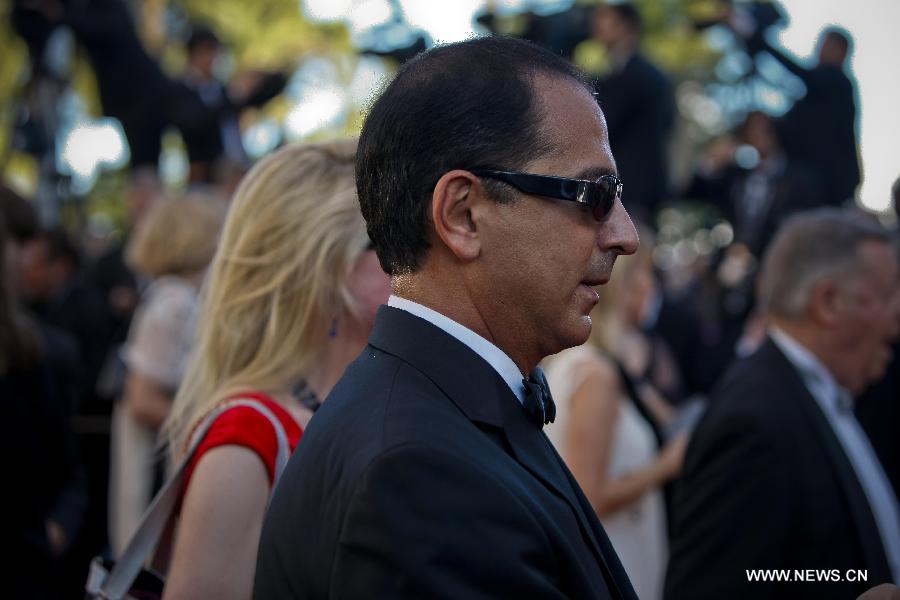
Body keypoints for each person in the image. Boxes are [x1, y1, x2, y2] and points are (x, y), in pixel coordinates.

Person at [255, 35, 640, 598]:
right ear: (463, 215)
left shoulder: (432, 418)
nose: (625, 235)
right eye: (593, 194)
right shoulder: (418, 475)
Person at [161, 139, 390, 599]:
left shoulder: (357, 404)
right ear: (326, 266)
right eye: (389, 240)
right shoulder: (247, 437)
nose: (416, 258)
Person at [665, 209, 900, 598]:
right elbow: (726, 585)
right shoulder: (752, 421)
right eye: (888, 295)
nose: (896, 316)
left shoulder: (817, 390)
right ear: (827, 302)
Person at [544, 229, 687, 600]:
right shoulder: (595, 375)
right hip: (615, 561)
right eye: (646, 275)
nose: (653, 288)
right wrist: (667, 465)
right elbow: (589, 497)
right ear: (625, 285)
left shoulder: (593, 365)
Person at [108, 194, 224, 554]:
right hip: (156, 481)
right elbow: (143, 399)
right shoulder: (174, 302)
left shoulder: (175, 297)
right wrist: (209, 429)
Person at [1, 197, 87, 599]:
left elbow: (67, 468)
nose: (26, 258)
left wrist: (53, 531)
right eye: (20, 243)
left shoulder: (35, 354)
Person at [740, 24, 859, 208]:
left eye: (825, 46)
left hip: (827, 187)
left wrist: (760, 42)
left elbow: (803, 75)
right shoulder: (817, 98)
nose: (818, 52)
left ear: (840, 51)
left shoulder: (837, 82)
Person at [591, 2, 674, 223]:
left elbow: (606, 121)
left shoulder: (640, 76)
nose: (596, 25)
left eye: (605, 20)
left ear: (626, 26)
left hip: (634, 188)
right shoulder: (635, 73)